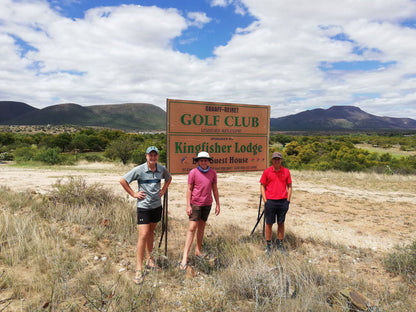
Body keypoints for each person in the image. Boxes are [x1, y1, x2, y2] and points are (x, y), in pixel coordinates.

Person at [120, 146, 172, 284]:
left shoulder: (161, 169)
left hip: (156, 206)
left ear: (157, 157)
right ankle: (138, 269)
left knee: (151, 233)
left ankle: (150, 260)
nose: (153, 158)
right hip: (143, 207)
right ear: (146, 156)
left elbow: (169, 178)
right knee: (143, 235)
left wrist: (164, 190)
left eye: (155, 156)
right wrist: (134, 194)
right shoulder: (139, 170)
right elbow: (123, 180)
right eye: (150, 155)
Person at [180, 151, 220, 271]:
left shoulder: (212, 172)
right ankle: (185, 257)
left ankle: (198, 251)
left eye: (205, 160)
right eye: (201, 160)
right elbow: (189, 189)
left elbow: (215, 189)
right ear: (198, 161)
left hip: (207, 203)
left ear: (209, 161)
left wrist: (218, 204)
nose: (203, 162)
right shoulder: (193, 172)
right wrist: (188, 205)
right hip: (196, 203)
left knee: (202, 228)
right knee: (192, 228)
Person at [260, 151, 292, 252]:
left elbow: (290, 186)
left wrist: (288, 200)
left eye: (278, 159)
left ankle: (280, 244)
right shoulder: (267, 171)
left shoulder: (286, 171)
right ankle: (268, 246)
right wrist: (266, 200)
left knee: (281, 223)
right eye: (275, 159)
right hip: (270, 201)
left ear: (281, 160)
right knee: (269, 223)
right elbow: (262, 185)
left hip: (283, 201)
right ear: (272, 160)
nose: (277, 161)